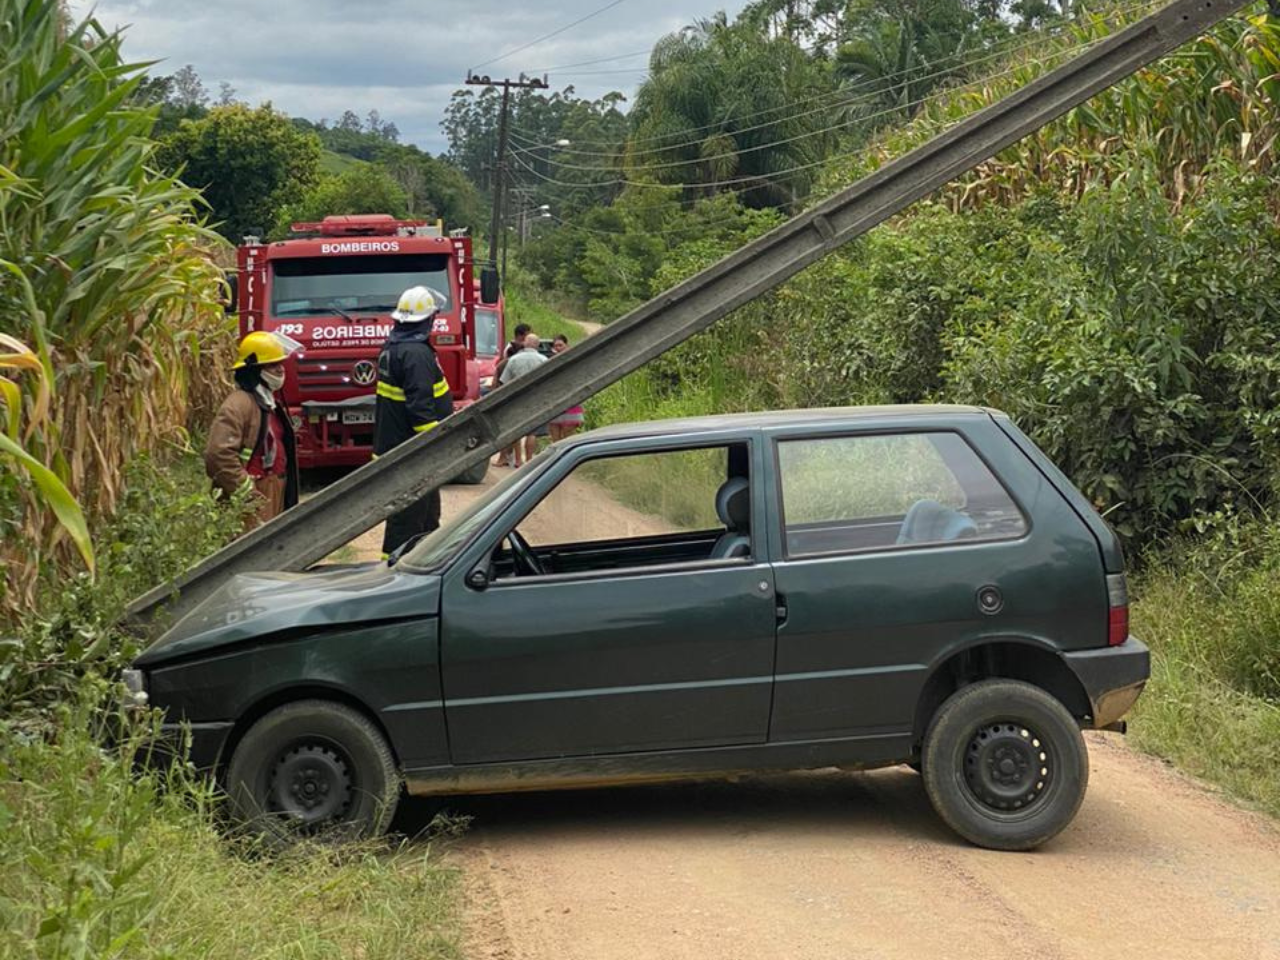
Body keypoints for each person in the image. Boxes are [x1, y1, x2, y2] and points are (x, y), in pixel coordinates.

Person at [374, 285, 455, 558]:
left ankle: (428, 560)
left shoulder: (395, 347)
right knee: (408, 516)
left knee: (426, 515)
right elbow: (420, 406)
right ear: (427, 319)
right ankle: (394, 568)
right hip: (413, 450)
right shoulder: (416, 353)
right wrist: (434, 441)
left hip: (401, 445)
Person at [205, 331, 300, 530]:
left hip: (273, 489)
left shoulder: (267, 403)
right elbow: (218, 456)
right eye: (272, 365)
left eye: (280, 363)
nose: (280, 369)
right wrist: (247, 493)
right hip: (253, 497)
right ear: (254, 370)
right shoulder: (238, 405)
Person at [498, 331, 548, 466]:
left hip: (516, 399)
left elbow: (505, 381)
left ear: (525, 343)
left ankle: (518, 460)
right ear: (537, 345)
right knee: (532, 432)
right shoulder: (543, 360)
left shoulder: (514, 359)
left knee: (516, 430)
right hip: (536, 400)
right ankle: (529, 460)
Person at [491, 323, 532, 468]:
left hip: (508, 396)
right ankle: (514, 458)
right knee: (518, 429)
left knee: (510, 429)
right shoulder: (511, 358)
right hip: (516, 396)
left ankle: (508, 457)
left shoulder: (505, 362)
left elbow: (496, 382)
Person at [548, 334, 585, 442]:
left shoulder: (574, 359)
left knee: (568, 437)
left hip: (571, 403)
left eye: (560, 345)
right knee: (555, 437)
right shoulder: (550, 362)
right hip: (555, 402)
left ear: (566, 345)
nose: (558, 348)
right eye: (556, 346)